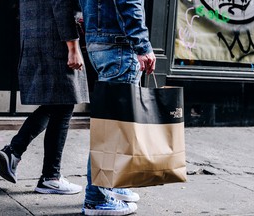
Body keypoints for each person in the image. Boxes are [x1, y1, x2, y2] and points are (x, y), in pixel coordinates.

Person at [0, 0, 89, 195]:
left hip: (36, 37)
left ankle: (15, 152)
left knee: (57, 104)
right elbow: (62, 5)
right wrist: (73, 47)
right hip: (56, 41)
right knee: (63, 104)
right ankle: (50, 177)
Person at [79, 0, 156, 215]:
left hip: (99, 43)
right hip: (119, 46)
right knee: (113, 129)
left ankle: (109, 188)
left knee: (111, 126)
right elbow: (129, 2)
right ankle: (97, 198)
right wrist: (143, 46)